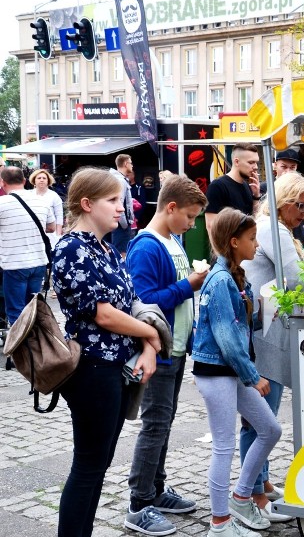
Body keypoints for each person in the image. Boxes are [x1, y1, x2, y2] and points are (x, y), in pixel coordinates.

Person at [52, 168, 162, 537]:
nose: (122, 208)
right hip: (91, 369)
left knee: (98, 465)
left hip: (118, 366)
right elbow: (103, 314)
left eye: (121, 200)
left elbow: (132, 303)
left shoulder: (106, 248)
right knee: (87, 466)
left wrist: (148, 346)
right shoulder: (71, 248)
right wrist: (151, 335)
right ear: (86, 204)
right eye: (113, 200)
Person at [123, 175, 209, 535]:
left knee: (165, 420)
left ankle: (155, 488)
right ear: (170, 208)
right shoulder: (146, 246)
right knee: (155, 423)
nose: (192, 225)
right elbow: (142, 303)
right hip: (157, 350)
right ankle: (139, 502)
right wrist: (188, 285)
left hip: (174, 348)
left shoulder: (172, 239)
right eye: (189, 217)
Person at [192, 208, 282, 537]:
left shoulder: (232, 275)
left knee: (270, 429)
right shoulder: (220, 280)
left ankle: (242, 497)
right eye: (252, 239)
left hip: (228, 370)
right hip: (218, 371)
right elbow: (227, 340)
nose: (257, 245)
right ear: (234, 242)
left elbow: (238, 326)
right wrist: (252, 376)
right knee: (224, 446)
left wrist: (264, 311)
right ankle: (219, 525)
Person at [240, 171, 304, 522]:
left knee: (262, 415)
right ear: (285, 203)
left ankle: (263, 483)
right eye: (301, 206)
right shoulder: (274, 230)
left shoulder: (274, 227)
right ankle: (253, 494)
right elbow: (297, 278)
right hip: (263, 331)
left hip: (263, 328)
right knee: (259, 420)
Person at [0, 166, 55, 325]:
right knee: (32, 308)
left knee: (16, 311)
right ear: (24, 181)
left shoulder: (2, 202)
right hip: (39, 262)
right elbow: (51, 227)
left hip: (14, 264)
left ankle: (21, 348)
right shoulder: (41, 201)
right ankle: (34, 344)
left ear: (3, 182)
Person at [205, 142, 261, 236]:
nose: (255, 167)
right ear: (236, 162)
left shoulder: (247, 186)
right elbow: (211, 226)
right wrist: (223, 250)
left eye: (256, 162)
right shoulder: (218, 186)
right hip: (227, 248)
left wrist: (256, 196)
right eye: (251, 162)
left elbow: (254, 219)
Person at [109, 154, 136, 257]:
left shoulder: (117, 179)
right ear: (125, 164)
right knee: (121, 254)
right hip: (121, 225)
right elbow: (119, 202)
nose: (132, 166)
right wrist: (125, 224)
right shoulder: (120, 181)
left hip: (118, 223)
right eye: (131, 163)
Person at [29, 168, 64, 244]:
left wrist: (58, 235)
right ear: (34, 180)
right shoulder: (28, 195)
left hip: (51, 234)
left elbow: (59, 216)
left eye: (44, 178)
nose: (41, 180)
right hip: (33, 234)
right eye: (39, 178)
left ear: (48, 181)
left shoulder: (54, 196)